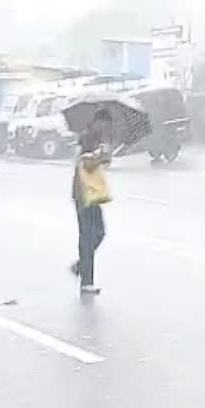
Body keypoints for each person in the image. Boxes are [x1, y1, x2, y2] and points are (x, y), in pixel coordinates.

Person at [70, 109, 113, 294]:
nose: (106, 128)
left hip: (94, 194)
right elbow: (84, 162)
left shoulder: (98, 137)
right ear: (98, 121)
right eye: (105, 124)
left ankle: (81, 265)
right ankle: (86, 281)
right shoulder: (85, 137)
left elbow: (100, 163)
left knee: (99, 232)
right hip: (83, 193)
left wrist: (105, 155)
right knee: (87, 236)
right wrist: (98, 154)